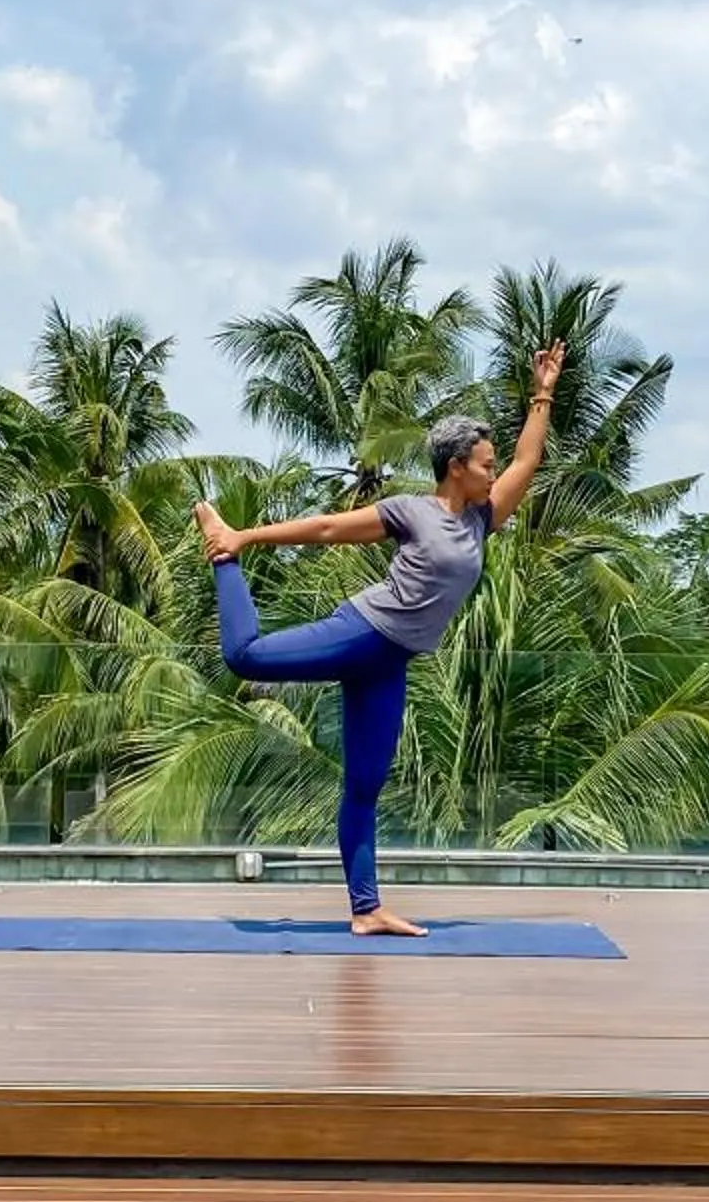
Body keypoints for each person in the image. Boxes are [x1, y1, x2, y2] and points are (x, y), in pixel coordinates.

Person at [192, 342, 566, 937]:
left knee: (365, 784)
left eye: (493, 465)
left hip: (390, 663)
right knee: (244, 657)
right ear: (456, 467)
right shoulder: (412, 512)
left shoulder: (481, 520)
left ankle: (366, 910)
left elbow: (528, 459)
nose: (494, 473)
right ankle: (220, 552)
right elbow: (328, 528)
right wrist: (243, 538)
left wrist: (543, 391)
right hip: (361, 632)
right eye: (484, 464)